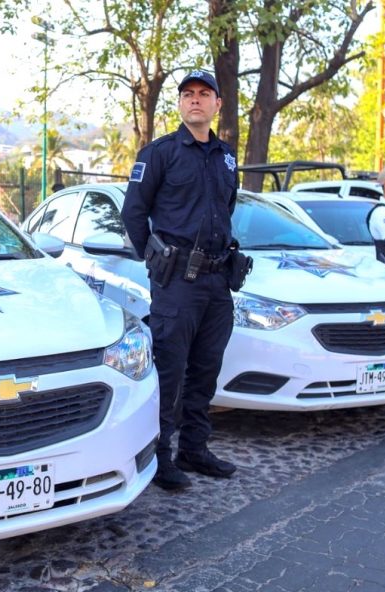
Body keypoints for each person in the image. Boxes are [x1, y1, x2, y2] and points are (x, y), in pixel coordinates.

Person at [121, 69, 239, 491]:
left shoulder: (226, 156)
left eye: (204, 94)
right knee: (170, 372)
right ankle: (161, 456)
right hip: (176, 283)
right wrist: (154, 260)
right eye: (187, 94)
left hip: (217, 281)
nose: (195, 100)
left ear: (217, 105)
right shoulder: (159, 153)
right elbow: (133, 213)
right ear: (180, 103)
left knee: (205, 371)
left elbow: (226, 208)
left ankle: (195, 448)